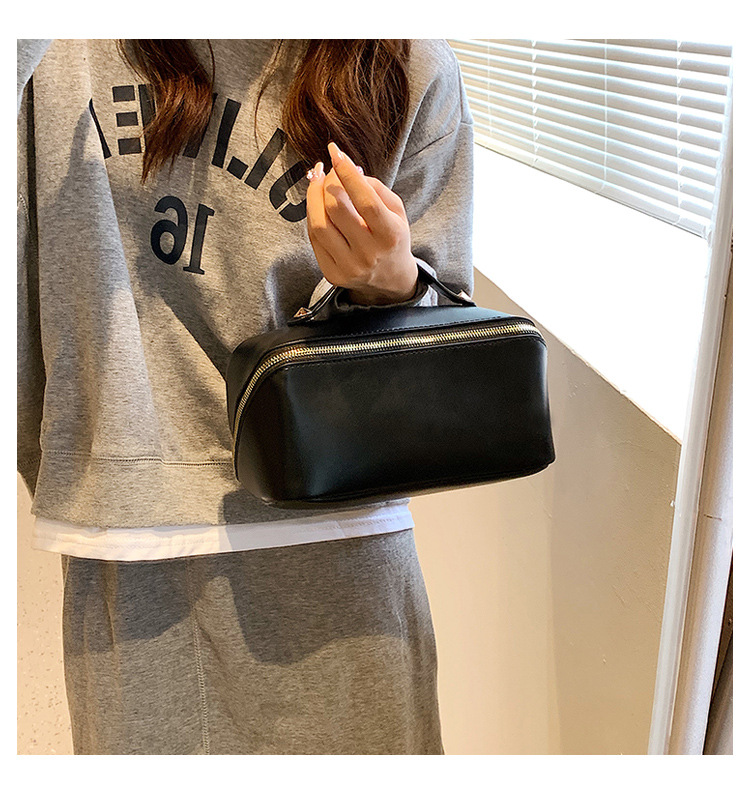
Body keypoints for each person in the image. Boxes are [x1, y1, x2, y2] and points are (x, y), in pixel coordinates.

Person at [17, 38, 474, 755]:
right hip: (132, 539)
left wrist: (392, 281)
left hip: (339, 542)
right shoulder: (57, 47)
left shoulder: (404, 60)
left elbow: (446, 344)